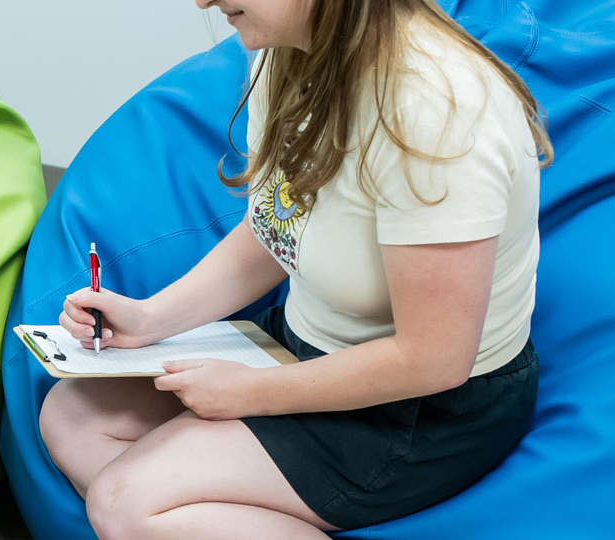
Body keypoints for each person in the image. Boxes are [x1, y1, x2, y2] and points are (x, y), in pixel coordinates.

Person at [38, 0, 553, 538]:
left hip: (422, 410)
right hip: (303, 344)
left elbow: (434, 360)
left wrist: (251, 395)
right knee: (71, 419)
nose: (203, 2)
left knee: (128, 502)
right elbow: (276, 232)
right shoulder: (285, 54)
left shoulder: (433, 114)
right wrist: (150, 319)